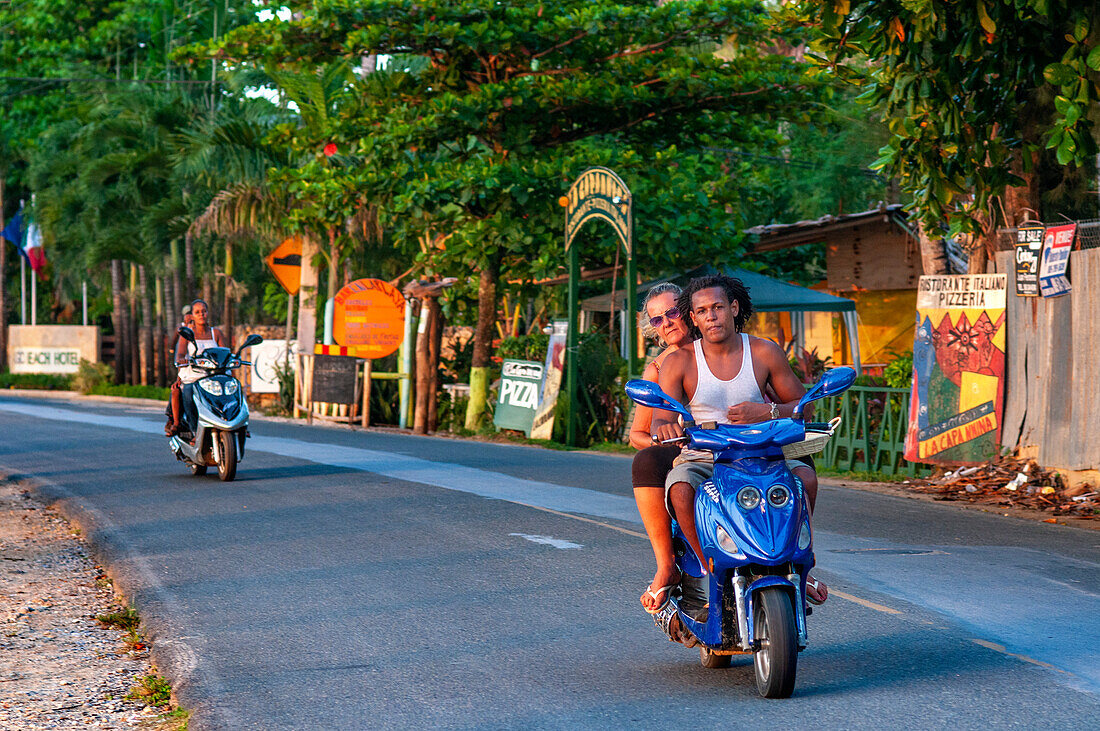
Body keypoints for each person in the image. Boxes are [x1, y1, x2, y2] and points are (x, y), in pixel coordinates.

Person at [653, 274, 828, 606]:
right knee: (679, 487)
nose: (712, 316)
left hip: (763, 455)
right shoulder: (679, 361)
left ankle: (795, 562)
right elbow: (662, 415)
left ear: (733, 308)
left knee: (804, 477)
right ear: (693, 318)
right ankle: (708, 565)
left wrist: (767, 412)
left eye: (718, 307)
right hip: (704, 457)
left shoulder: (764, 352)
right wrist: (665, 427)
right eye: (702, 311)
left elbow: (803, 407)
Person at [628, 283, 693, 613]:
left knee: (796, 466)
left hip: (734, 443)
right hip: (683, 449)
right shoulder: (656, 369)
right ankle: (666, 565)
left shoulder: (722, 347)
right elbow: (637, 433)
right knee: (646, 461)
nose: (666, 322)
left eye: (672, 312)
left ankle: (799, 564)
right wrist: (664, 438)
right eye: (657, 320)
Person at [166, 300, 228, 437]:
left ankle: (236, 425)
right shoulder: (188, 333)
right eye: (197, 312)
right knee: (188, 392)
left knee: (232, 390)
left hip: (214, 375)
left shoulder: (216, 333)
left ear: (208, 313)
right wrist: (182, 359)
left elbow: (226, 352)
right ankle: (194, 431)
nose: (202, 315)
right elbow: (180, 354)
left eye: (204, 311)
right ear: (192, 316)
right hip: (194, 374)